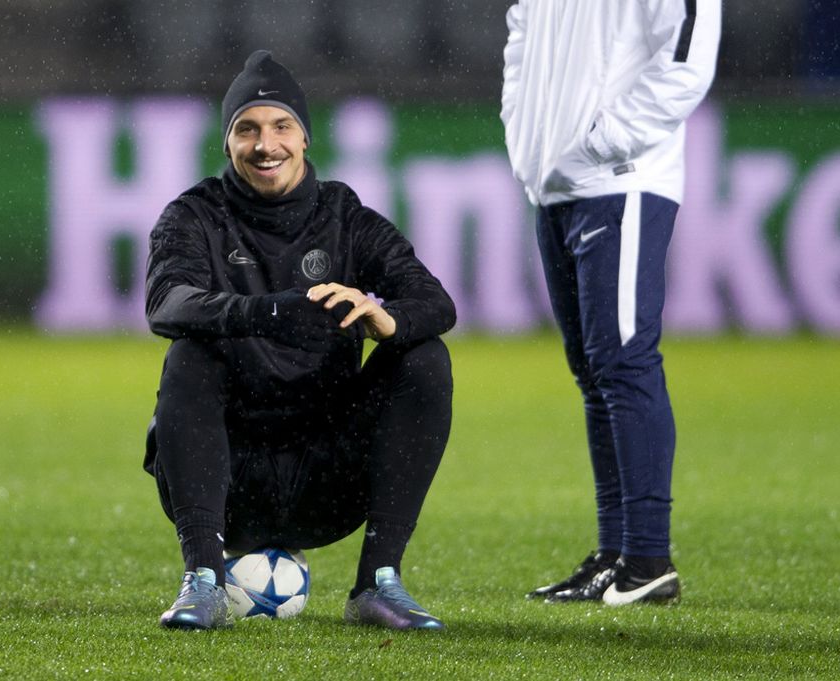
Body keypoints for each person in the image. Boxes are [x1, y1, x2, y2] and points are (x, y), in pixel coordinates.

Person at [143, 50, 456, 630]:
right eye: (248, 129)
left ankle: (378, 585)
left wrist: (385, 320)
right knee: (189, 350)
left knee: (423, 356)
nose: (266, 145)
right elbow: (166, 305)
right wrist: (270, 312)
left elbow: (435, 303)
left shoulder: (346, 217)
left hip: (327, 483)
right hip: (228, 479)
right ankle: (203, 582)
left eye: (282, 126)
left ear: (305, 138)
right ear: (227, 142)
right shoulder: (194, 216)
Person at [500, 1, 720, 605]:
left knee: (623, 363)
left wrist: (601, 143)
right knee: (596, 374)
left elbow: (685, 61)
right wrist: (529, 144)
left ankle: (648, 557)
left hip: (621, 178)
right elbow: (522, 37)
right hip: (556, 182)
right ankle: (616, 552)